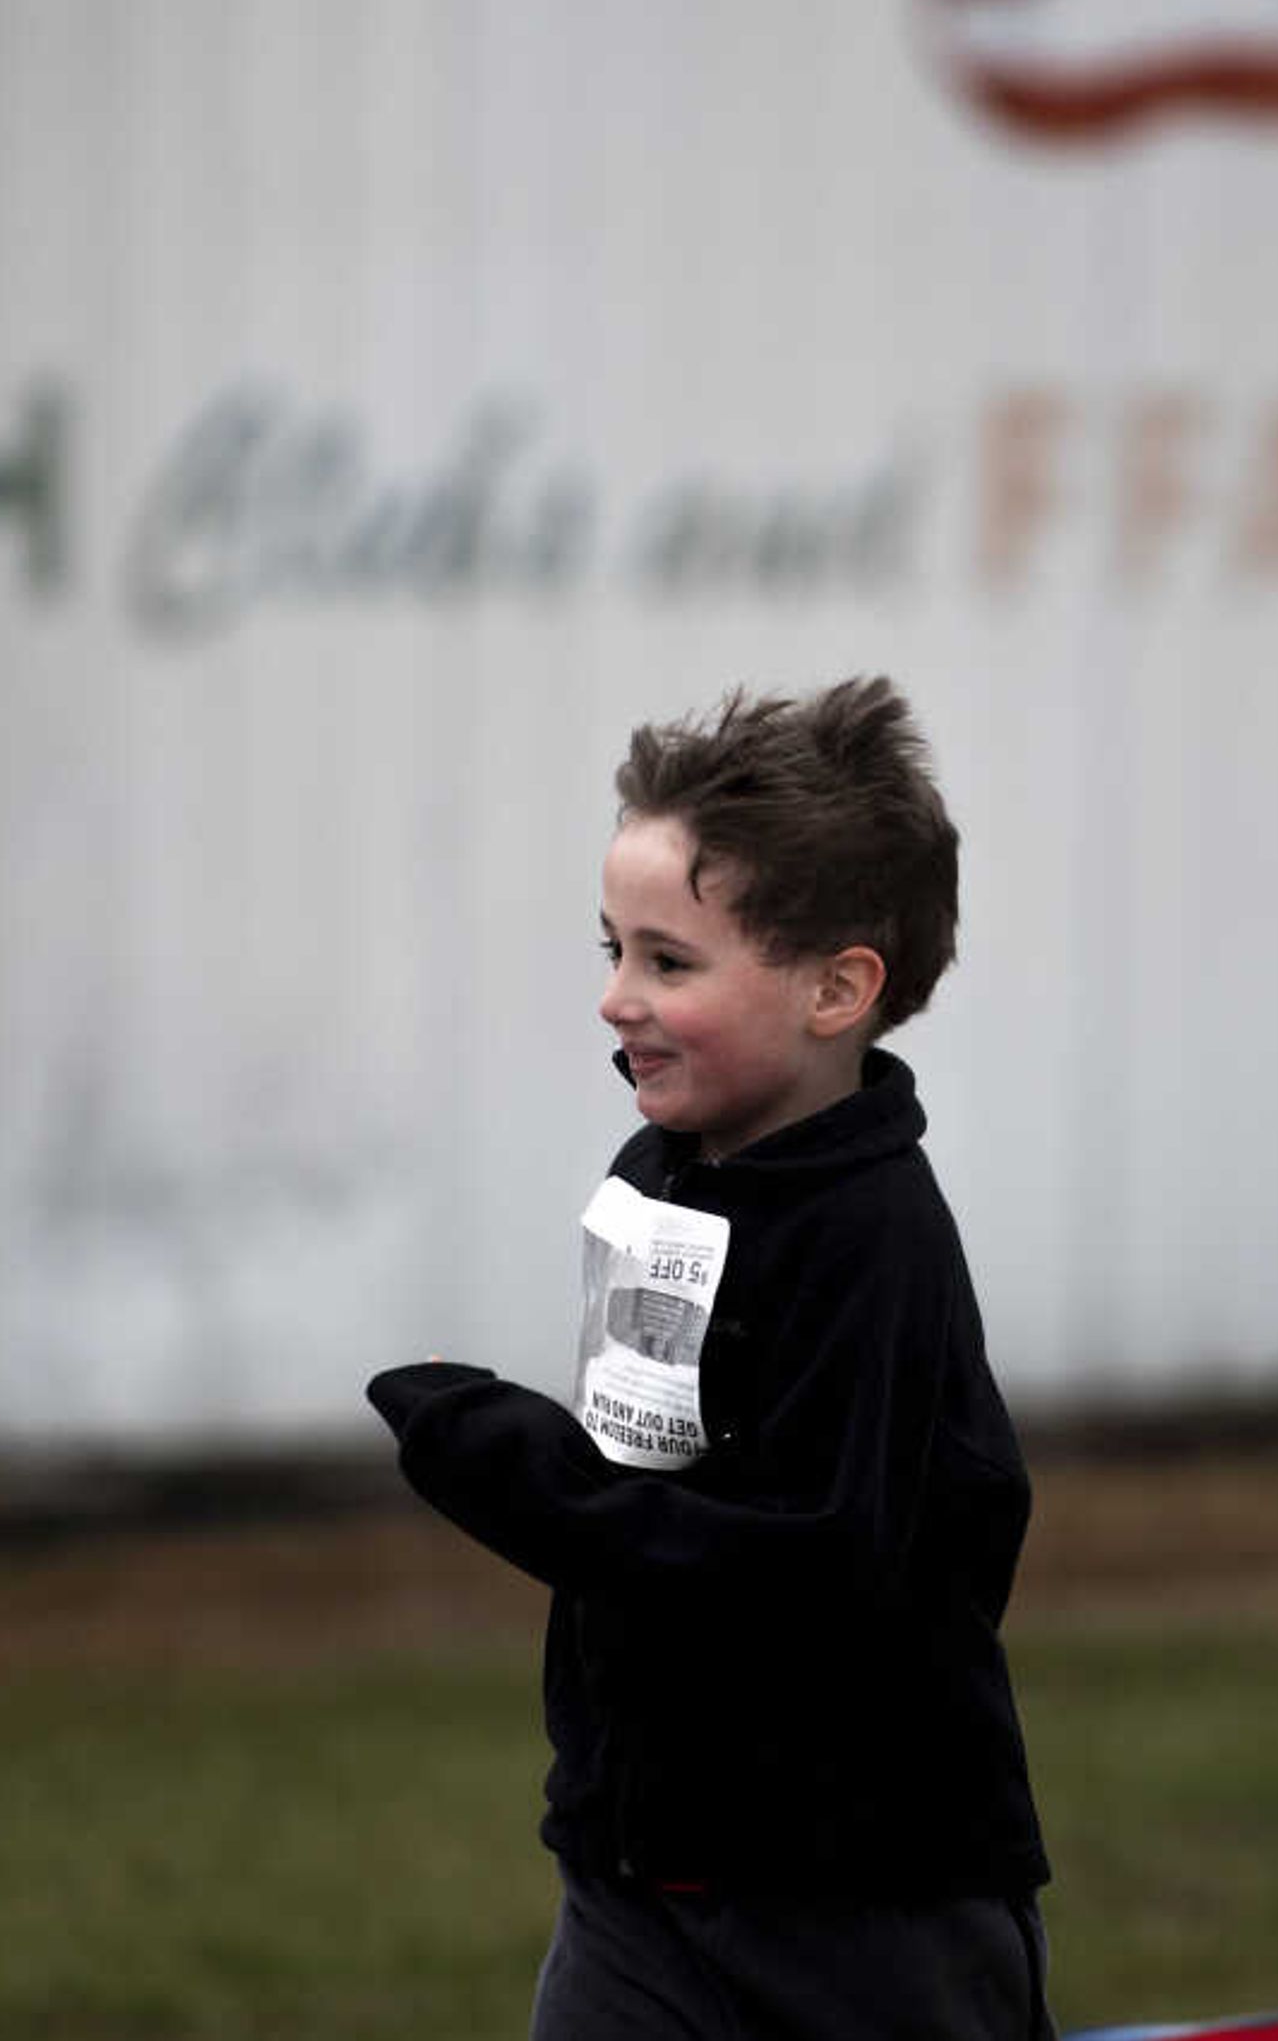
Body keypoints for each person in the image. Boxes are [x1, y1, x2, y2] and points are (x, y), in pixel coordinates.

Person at [366, 676, 1053, 2041]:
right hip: (640, 1883)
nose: (618, 998)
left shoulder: (874, 1244)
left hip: (865, 1909)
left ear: (837, 988)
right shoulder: (658, 1176)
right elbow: (645, 1482)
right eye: (612, 948)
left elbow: (813, 1576)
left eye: (670, 963)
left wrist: (514, 1471)